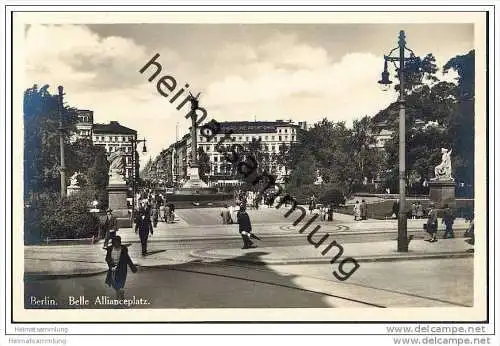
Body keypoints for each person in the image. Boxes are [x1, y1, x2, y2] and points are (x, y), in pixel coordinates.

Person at [105, 236, 137, 300]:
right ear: (113, 243)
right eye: (115, 242)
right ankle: (120, 292)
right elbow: (107, 258)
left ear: (120, 242)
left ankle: (119, 295)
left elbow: (127, 258)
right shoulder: (110, 249)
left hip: (122, 268)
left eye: (118, 242)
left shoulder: (123, 249)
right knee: (113, 282)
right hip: (113, 268)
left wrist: (133, 267)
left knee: (121, 282)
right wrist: (111, 265)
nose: (116, 244)